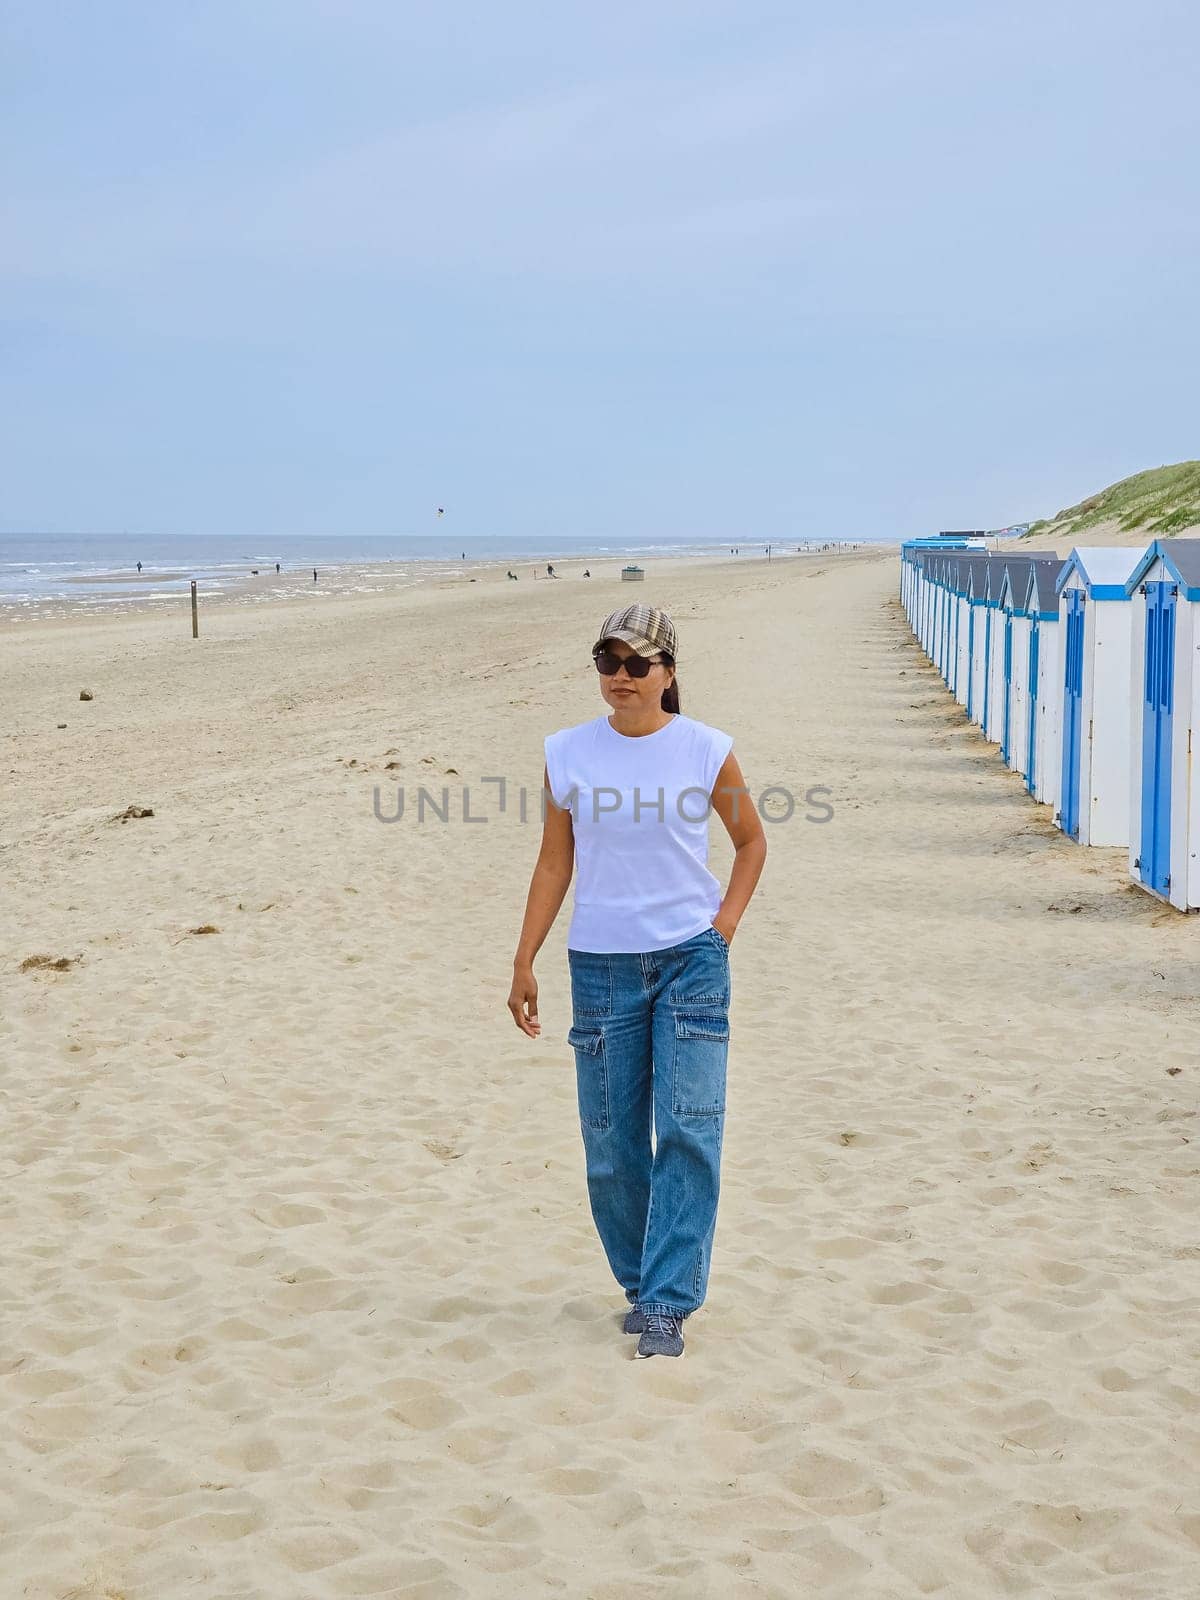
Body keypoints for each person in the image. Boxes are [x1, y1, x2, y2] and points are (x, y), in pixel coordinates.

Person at [508, 604, 766, 1359]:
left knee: (688, 1130)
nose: (620, 677)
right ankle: (641, 1281)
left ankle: (666, 1301)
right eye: (607, 661)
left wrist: (721, 930)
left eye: (637, 664)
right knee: (611, 1146)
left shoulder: (706, 750)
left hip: (691, 961)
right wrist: (523, 958)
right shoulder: (565, 753)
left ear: (668, 673)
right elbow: (555, 862)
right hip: (599, 967)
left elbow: (750, 843)